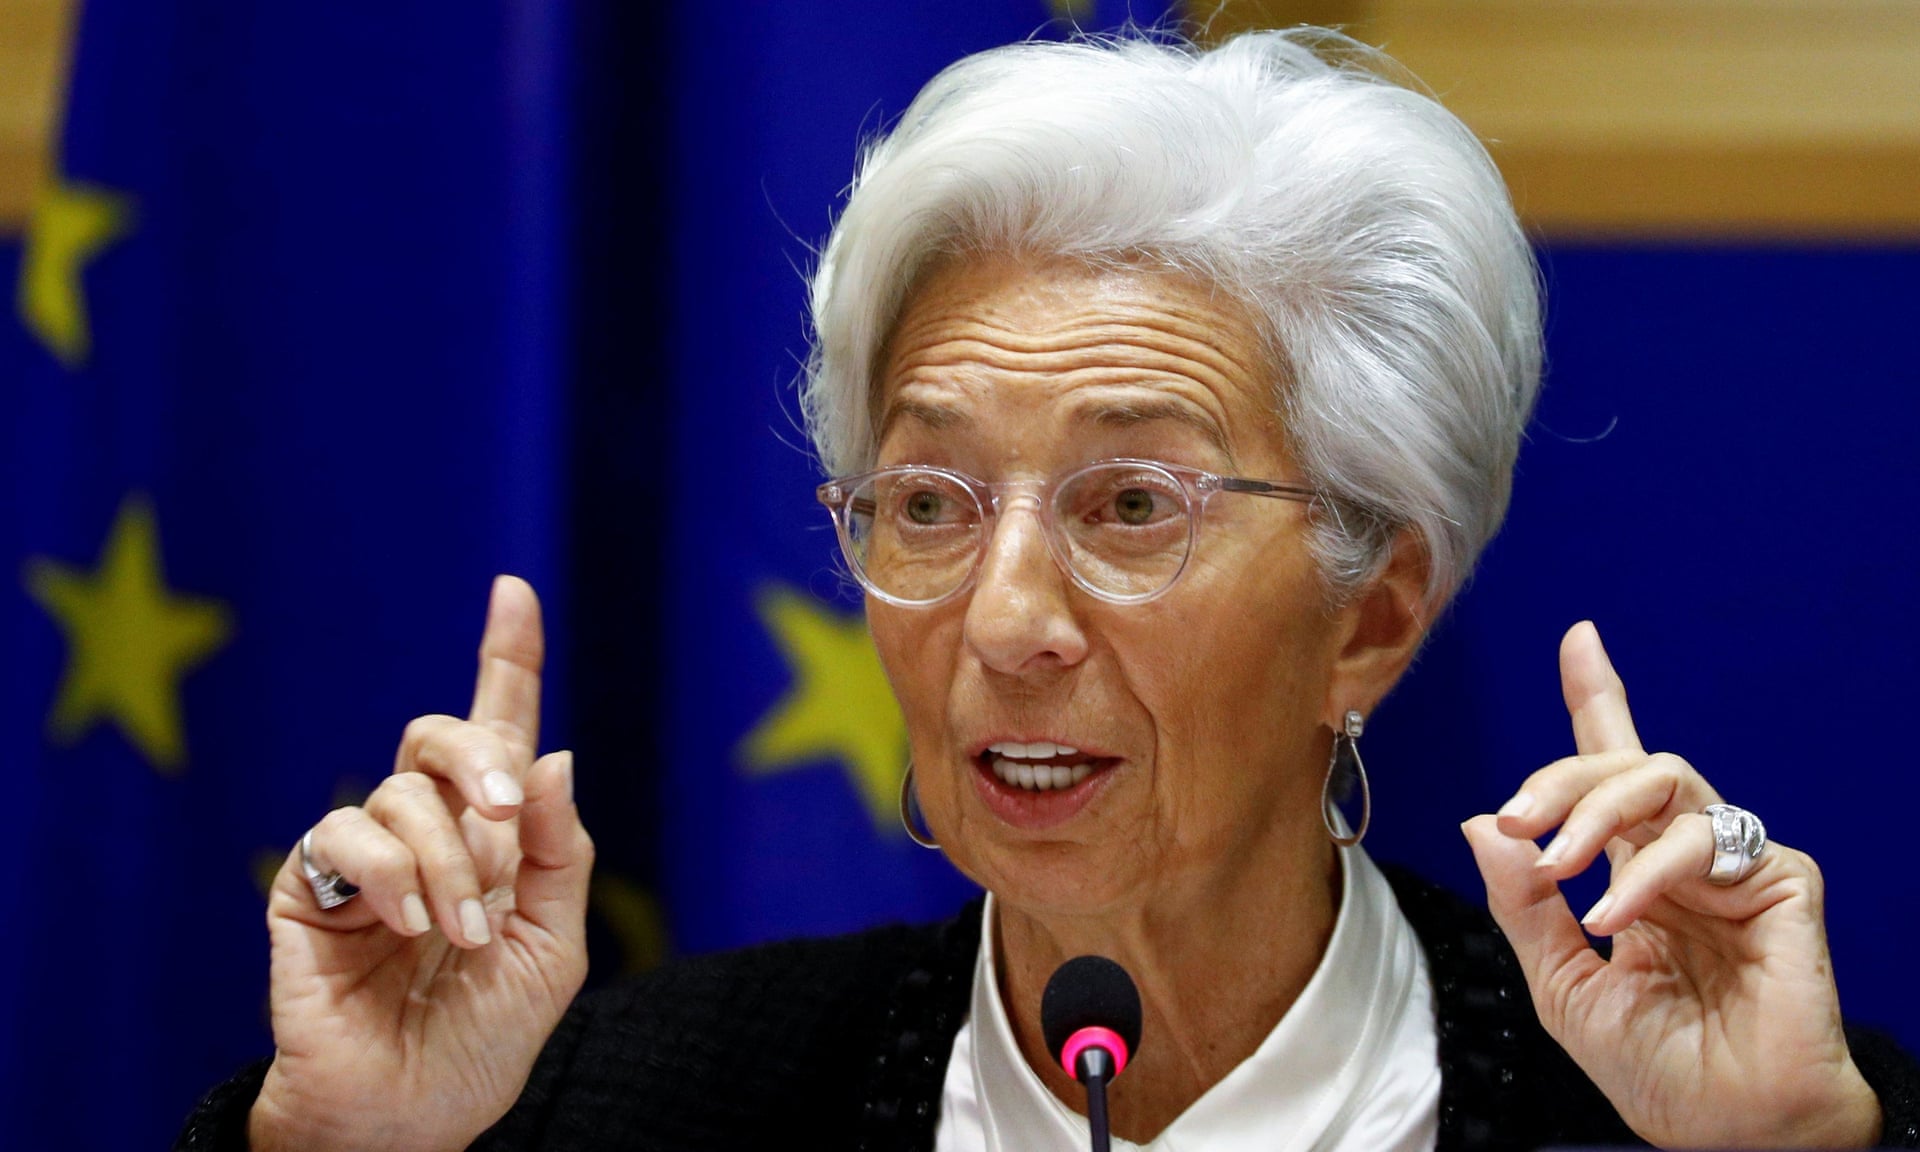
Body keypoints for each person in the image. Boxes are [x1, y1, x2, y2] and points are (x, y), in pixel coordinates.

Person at [178, 27, 1919, 1152]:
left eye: (1133, 503)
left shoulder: (1654, 1106)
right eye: (930, 502)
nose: (1004, 622)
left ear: (1373, 615)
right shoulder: (636, 1105)